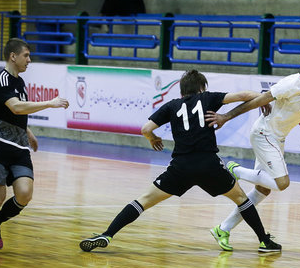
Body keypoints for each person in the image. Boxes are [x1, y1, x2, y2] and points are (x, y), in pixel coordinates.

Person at [79, 70, 281, 253]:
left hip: (180, 167)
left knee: (143, 201)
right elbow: (245, 95)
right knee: (242, 200)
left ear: (182, 90)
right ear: (202, 88)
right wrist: (263, 100)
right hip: (208, 164)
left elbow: (145, 129)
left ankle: (107, 234)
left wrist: (154, 139)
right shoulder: (208, 98)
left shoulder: (171, 106)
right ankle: (264, 241)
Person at [204, 53, 300, 251]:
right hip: (265, 134)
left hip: (276, 139)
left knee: (262, 191)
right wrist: (226, 116)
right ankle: (235, 170)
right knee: (281, 183)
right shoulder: (291, 84)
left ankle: (223, 229)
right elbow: (257, 101)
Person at [0, 38, 70, 253]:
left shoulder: (20, 82)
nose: (29, 59)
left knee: (25, 193)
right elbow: (16, 108)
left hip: (19, 148)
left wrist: (29, 133)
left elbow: (14, 113)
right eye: (26, 55)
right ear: (12, 56)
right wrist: (49, 103)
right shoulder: (2, 80)